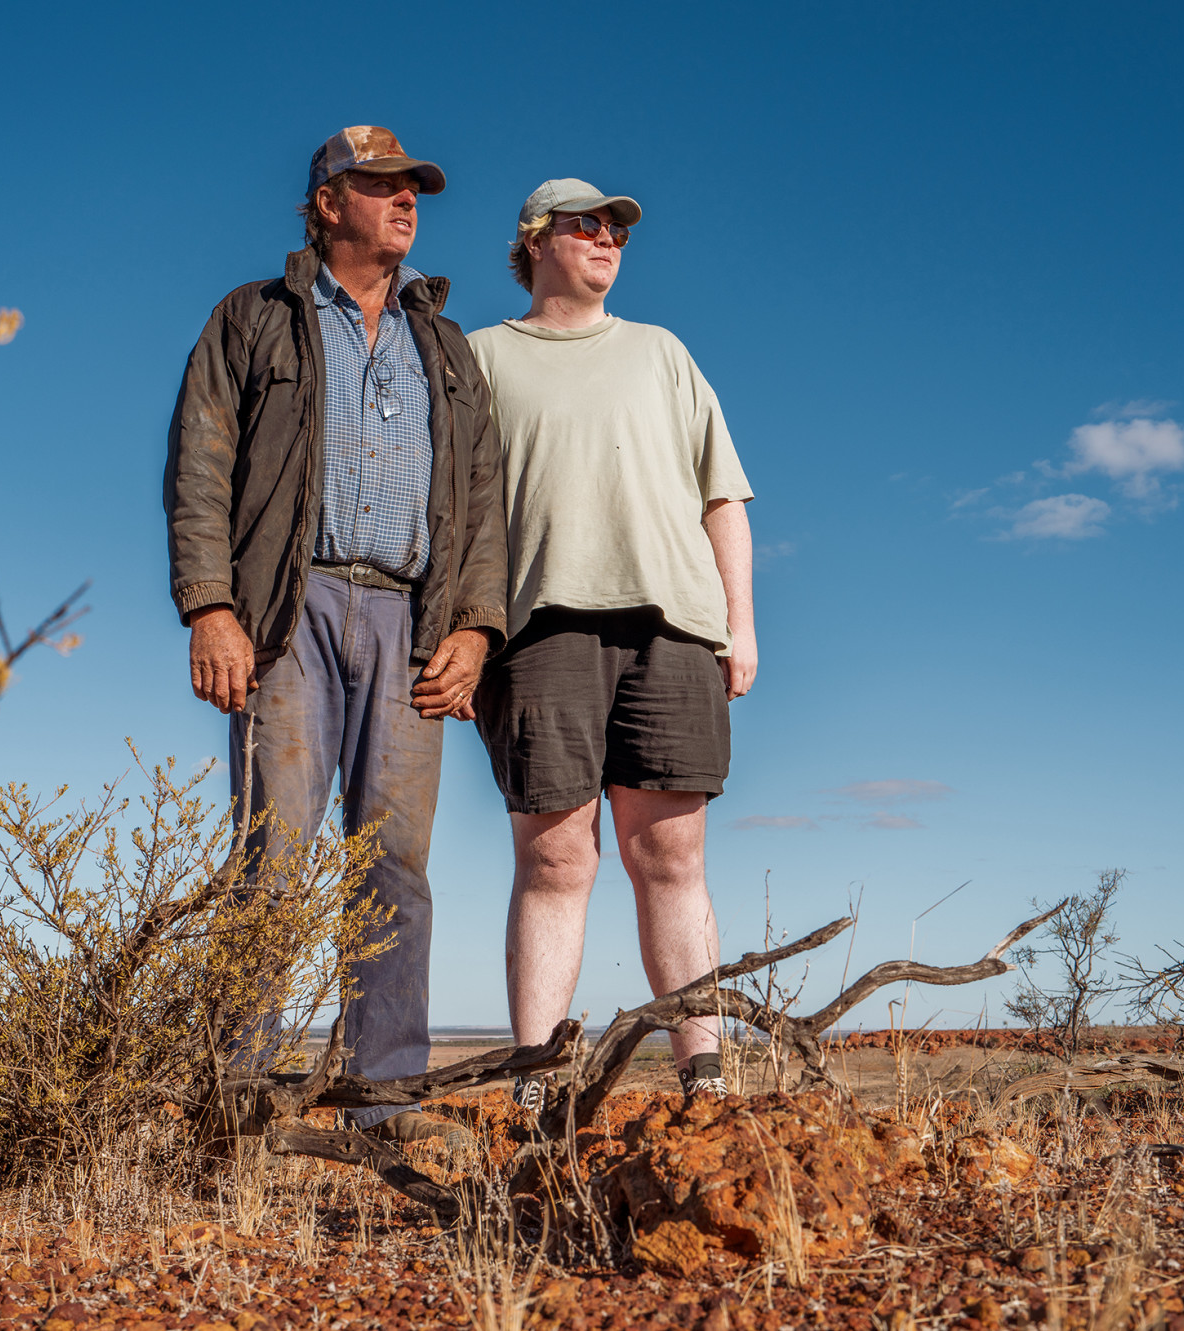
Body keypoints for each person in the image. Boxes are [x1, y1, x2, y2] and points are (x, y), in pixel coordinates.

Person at [164, 126, 506, 1144]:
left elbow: (483, 497)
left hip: (409, 619)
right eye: (379, 186)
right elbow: (199, 461)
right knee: (273, 853)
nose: (404, 202)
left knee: (394, 863)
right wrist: (210, 604)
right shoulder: (254, 317)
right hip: (288, 609)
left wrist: (477, 628)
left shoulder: (442, 343)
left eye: (412, 189)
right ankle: (233, 1100)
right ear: (325, 202)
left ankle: (381, 1096)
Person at [465, 179, 757, 1107]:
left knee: (669, 855)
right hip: (537, 627)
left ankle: (701, 1075)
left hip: (672, 625)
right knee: (556, 858)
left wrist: (740, 625)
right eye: (586, 225)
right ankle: (535, 1083)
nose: (608, 240)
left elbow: (723, 497)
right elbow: (453, 515)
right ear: (535, 241)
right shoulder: (479, 358)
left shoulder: (661, 352)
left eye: (617, 229)